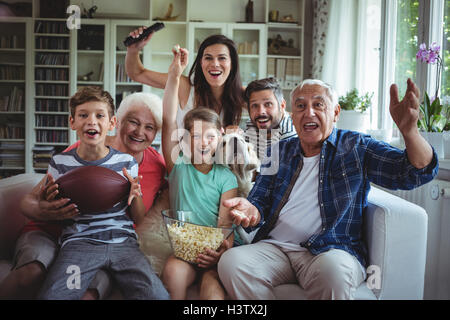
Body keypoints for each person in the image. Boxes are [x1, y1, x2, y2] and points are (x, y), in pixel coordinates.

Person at [217, 78, 439, 300]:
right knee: (232, 263)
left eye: (319, 104)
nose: (309, 112)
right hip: (276, 249)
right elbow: (259, 203)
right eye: (301, 106)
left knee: (332, 272)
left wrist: (410, 132)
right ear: (292, 116)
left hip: (330, 250)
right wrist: (251, 211)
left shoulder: (356, 146)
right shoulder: (279, 150)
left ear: (335, 112)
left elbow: (414, 172)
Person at [0, 92, 166, 300]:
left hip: (120, 243)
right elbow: (30, 200)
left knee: (147, 293)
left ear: (110, 122)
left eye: (150, 127)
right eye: (133, 122)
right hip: (75, 240)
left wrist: (137, 195)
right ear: (119, 122)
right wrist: (45, 210)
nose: (140, 132)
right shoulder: (71, 157)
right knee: (44, 282)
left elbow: (156, 201)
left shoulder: (145, 163)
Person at [160, 46, 240, 300]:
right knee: (172, 272)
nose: (203, 143)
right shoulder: (178, 165)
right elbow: (168, 120)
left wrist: (220, 252)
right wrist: (174, 75)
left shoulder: (226, 176)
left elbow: (225, 225)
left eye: (210, 136)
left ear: (220, 138)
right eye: (194, 136)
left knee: (213, 288)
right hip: (183, 252)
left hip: (213, 253)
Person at [125, 29, 245, 131]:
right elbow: (137, 73)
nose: (215, 64)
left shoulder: (241, 94)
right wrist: (133, 49)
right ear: (200, 63)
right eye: (208, 58)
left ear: (232, 63)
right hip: (177, 157)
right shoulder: (185, 86)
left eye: (222, 58)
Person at [243, 77, 297, 160]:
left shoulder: (289, 134)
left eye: (268, 104)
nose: (261, 112)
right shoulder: (251, 125)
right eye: (255, 105)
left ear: (282, 106)